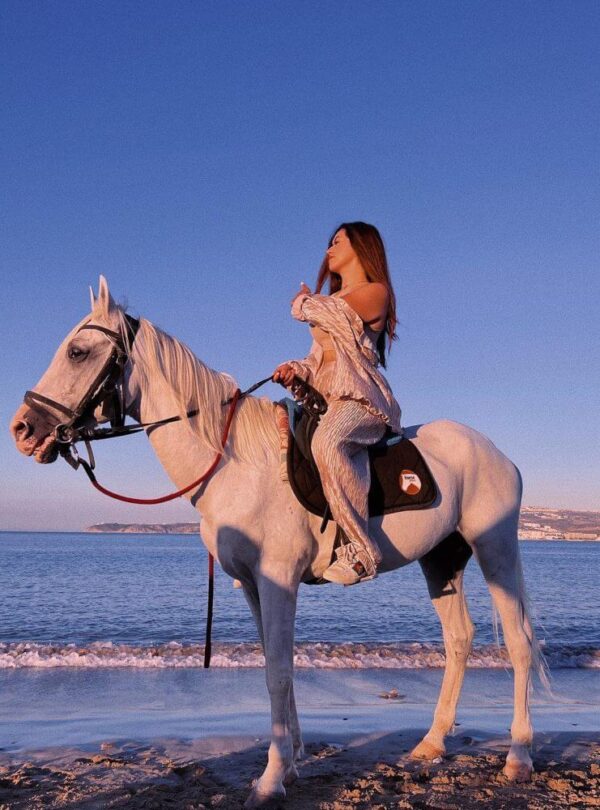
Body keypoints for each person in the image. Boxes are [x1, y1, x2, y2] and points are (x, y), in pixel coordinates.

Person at [273, 222, 401, 585]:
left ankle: (363, 552)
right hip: (327, 397)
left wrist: (303, 301)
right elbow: (319, 357)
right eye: (329, 243)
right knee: (274, 427)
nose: (329, 249)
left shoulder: (375, 293)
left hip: (361, 400)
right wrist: (295, 369)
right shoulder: (328, 304)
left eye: (337, 242)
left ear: (361, 248)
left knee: (327, 442)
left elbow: (332, 314)